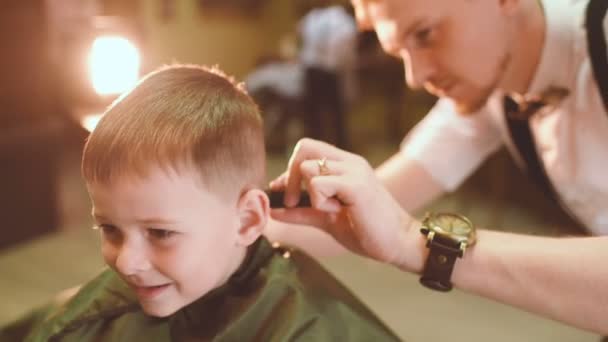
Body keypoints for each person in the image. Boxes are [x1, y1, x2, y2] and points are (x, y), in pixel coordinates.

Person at [267, 0, 608, 336]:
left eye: (426, 34)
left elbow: (393, 229)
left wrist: (412, 242)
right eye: (399, 52)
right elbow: (350, 214)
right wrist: (239, 215)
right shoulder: (486, 90)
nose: (415, 77)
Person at [0, 65, 400, 341]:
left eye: (160, 233)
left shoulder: (309, 327)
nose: (126, 262)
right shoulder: (93, 318)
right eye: (109, 229)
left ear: (246, 220)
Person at [299, 3, 358, 149]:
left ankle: (313, 148)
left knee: (314, 114)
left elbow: (302, 38)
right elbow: (345, 50)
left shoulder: (311, 18)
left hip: (312, 69)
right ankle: (341, 146)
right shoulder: (344, 21)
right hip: (329, 71)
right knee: (336, 113)